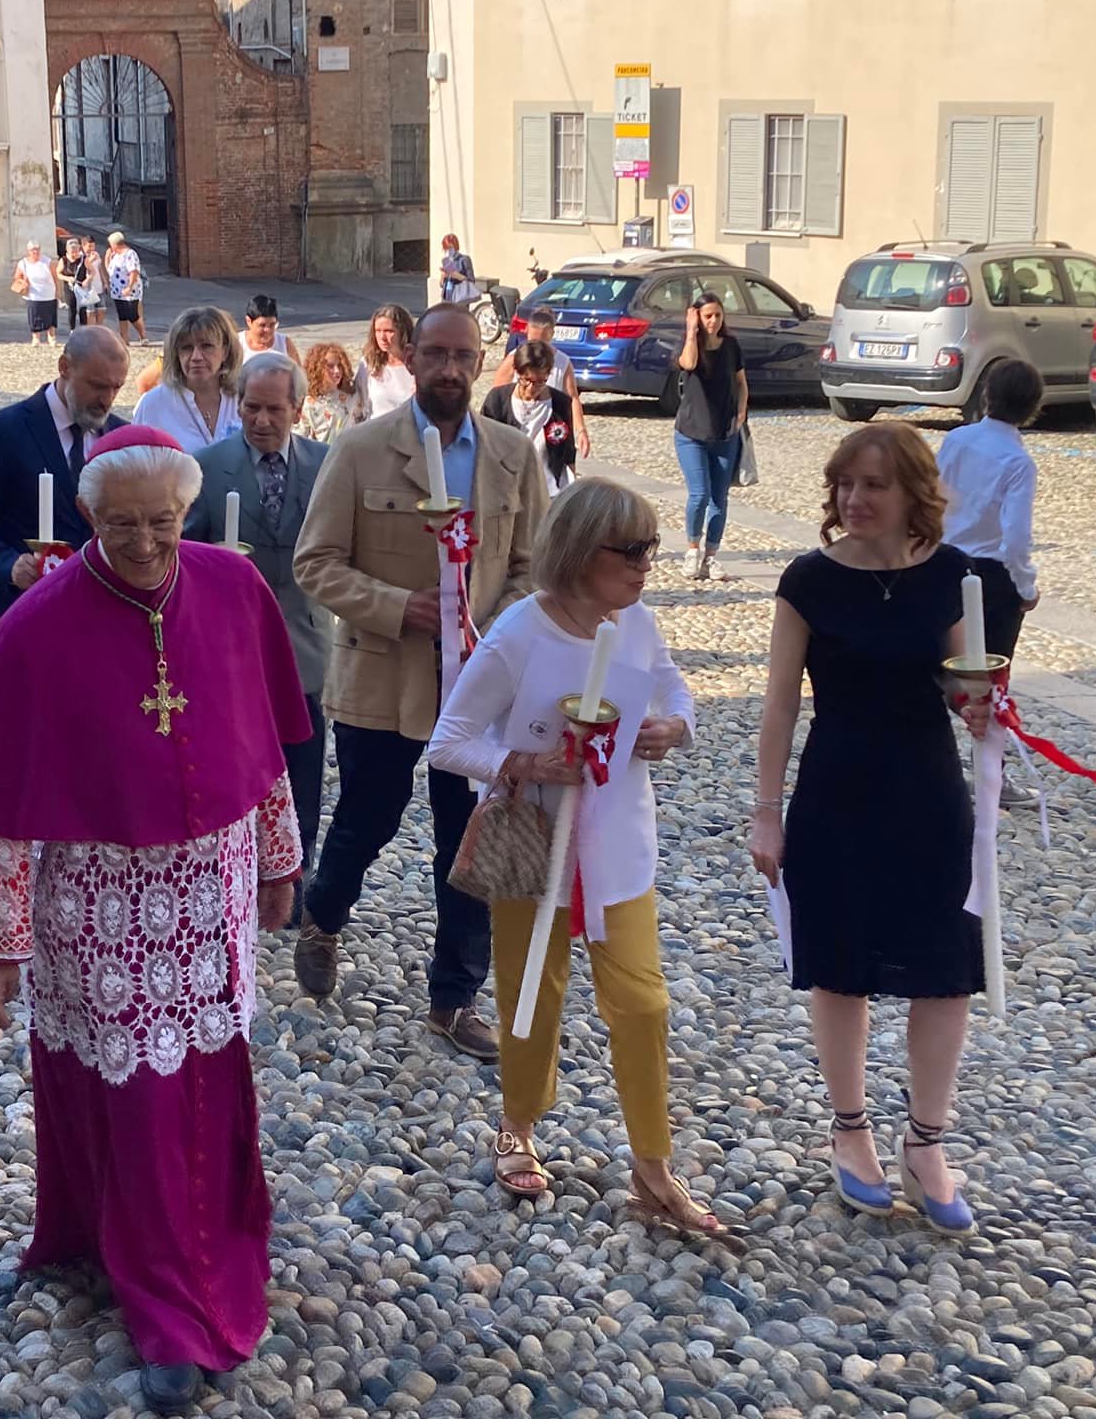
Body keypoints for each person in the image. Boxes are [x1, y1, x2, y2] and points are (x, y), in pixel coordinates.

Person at [0, 425, 309, 1414]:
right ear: (86, 515)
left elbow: (261, 743)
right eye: (120, 525)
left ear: (187, 512)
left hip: (212, 892)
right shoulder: (36, 625)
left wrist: (280, 860)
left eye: (162, 523)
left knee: (203, 1087)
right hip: (98, 907)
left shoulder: (233, 589)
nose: (144, 544)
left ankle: (195, 1260)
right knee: (132, 1099)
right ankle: (161, 1300)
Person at [427, 478, 734, 1237]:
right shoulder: (518, 634)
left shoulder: (639, 623)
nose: (645, 565)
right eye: (629, 550)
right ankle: (517, 1125)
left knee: (644, 1002)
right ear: (577, 551)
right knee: (531, 991)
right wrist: (524, 764)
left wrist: (674, 729)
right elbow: (449, 741)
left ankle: (653, 1166)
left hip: (619, 843)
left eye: (651, 549)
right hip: (535, 843)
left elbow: (677, 695)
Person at [750, 424, 991, 1238]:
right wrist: (766, 810)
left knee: (944, 970)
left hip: (928, 793)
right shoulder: (808, 581)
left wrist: (983, 707)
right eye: (845, 483)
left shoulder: (954, 576)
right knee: (842, 967)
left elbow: (963, 687)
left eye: (874, 485)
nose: (854, 499)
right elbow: (780, 705)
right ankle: (849, 1129)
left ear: (912, 493)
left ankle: (927, 1142)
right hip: (837, 791)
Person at [293, 303, 550, 1061]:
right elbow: (317, 562)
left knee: (467, 841)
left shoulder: (513, 455)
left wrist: (495, 631)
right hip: (384, 681)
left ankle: (454, 997)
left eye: (462, 356)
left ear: (480, 363)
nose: (448, 369)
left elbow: (533, 565)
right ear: (409, 357)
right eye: (434, 354)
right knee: (366, 818)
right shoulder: (361, 451)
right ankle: (323, 916)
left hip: (481, 689)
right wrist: (397, 606)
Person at [185, 351, 331, 921]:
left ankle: (296, 877)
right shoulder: (206, 467)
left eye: (274, 409)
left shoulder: (326, 465)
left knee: (303, 768)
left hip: (303, 644)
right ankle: (233, 877)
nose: (261, 420)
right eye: (251, 408)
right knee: (231, 767)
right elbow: (182, 556)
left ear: (298, 408)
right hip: (230, 651)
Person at [0, 324, 129, 642]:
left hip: (100, 620)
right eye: (97, 386)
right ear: (65, 367)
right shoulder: (3, 431)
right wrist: (9, 565)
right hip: (23, 616)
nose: (107, 400)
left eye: (117, 387)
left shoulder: (121, 436)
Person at [938, 359, 1042, 807]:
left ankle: (934, 765)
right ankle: (990, 776)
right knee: (991, 681)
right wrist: (1026, 586)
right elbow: (1015, 536)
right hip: (991, 574)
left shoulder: (957, 440)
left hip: (943, 562)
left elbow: (933, 495)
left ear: (986, 395)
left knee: (937, 666)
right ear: (1033, 408)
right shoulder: (1018, 461)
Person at [672, 291, 748, 583]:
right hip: (691, 433)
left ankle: (711, 556)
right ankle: (693, 549)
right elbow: (689, 364)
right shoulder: (691, 345)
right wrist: (691, 331)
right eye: (707, 316)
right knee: (699, 493)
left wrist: (741, 411)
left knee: (719, 497)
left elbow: (741, 382)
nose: (713, 321)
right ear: (697, 317)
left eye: (717, 315)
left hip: (725, 433)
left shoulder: (731, 346)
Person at [133, 305, 242, 453]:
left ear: (225, 351)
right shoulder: (153, 404)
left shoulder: (243, 400)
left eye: (206, 346)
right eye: (187, 347)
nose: (196, 357)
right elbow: (135, 461)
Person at [481, 340, 577, 497]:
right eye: (526, 380)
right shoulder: (497, 399)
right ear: (517, 372)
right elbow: (483, 445)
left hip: (548, 490)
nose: (532, 388)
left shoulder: (560, 403)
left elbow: (568, 452)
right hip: (504, 489)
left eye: (540, 382)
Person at [353, 304, 416, 419]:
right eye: (377, 331)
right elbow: (357, 403)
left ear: (403, 332)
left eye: (389, 331)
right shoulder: (368, 364)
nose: (382, 337)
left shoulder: (419, 364)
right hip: (377, 427)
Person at [298, 340, 358, 441]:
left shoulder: (351, 396)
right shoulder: (309, 403)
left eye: (339, 366)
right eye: (330, 366)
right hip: (322, 450)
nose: (337, 371)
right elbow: (300, 437)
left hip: (349, 450)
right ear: (317, 369)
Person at [11, 241, 60, 347]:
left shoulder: (47, 261)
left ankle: (51, 337)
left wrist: (57, 291)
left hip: (48, 294)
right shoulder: (23, 263)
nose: (36, 252)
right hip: (33, 295)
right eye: (33, 250)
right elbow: (17, 277)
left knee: (50, 317)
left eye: (37, 249)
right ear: (29, 251)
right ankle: (36, 338)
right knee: (34, 317)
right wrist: (23, 281)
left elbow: (55, 277)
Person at [105, 230, 147, 347]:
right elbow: (110, 270)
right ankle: (124, 339)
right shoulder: (115, 255)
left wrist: (129, 286)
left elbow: (133, 271)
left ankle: (143, 335)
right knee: (122, 315)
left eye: (111, 244)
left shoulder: (130, 254)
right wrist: (107, 258)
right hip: (117, 290)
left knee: (132, 314)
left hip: (130, 290)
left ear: (115, 244)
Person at [238, 293, 303, 365]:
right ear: (249, 321)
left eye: (272, 325)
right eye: (262, 325)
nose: (267, 330)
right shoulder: (238, 343)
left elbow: (298, 370)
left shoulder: (284, 343)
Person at [73, 236, 106, 326]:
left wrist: (105, 282)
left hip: (98, 286)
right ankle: (91, 329)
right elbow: (82, 269)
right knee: (90, 312)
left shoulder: (96, 254)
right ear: (83, 246)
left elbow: (100, 269)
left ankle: (99, 328)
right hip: (87, 289)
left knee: (101, 310)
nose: (92, 249)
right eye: (89, 246)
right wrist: (90, 260)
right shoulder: (80, 257)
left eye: (93, 246)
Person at [439, 233, 479, 304]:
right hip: (447, 296)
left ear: (456, 247)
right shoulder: (445, 260)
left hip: (460, 297)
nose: (449, 251)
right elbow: (441, 285)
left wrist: (458, 276)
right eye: (446, 248)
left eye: (451, 248)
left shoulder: (464, 259)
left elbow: (471, 281)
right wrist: (443, 276)